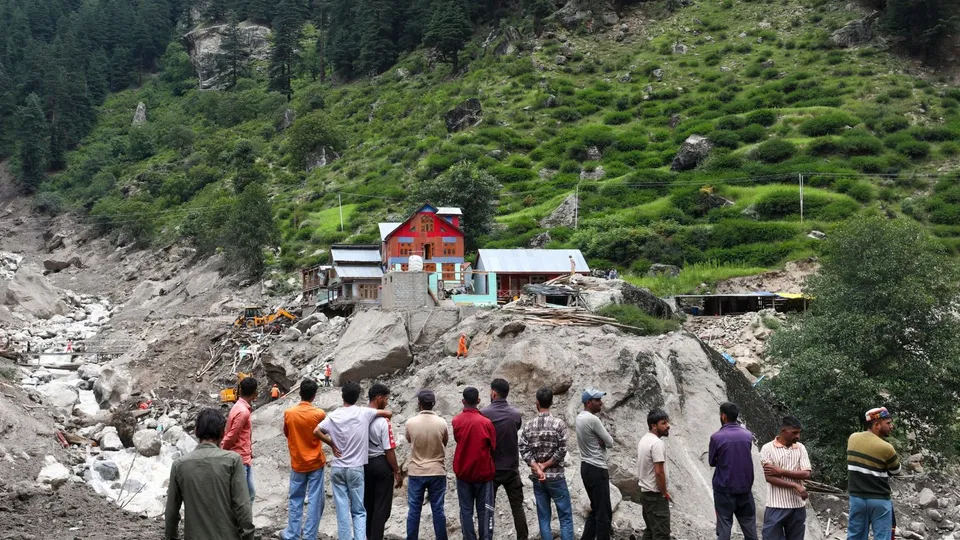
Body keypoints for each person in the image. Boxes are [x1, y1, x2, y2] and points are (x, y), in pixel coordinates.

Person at [314, 381, 393, 540]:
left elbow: (316, 431)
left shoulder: (334, 414)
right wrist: (386, 414)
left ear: (342, 396)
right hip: (356, 468)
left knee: (342, 511)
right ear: (357, 397)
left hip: (337, 468)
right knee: (358, 510)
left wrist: (331, 443)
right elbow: (386, 413)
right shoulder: (363, 412)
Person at [164, 408, 255, 540]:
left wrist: (171, 537)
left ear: (196, 432)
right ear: (223, 433)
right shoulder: (233, 460)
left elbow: (171, 512)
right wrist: (248, 536)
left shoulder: (179, 465)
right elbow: (242, 506)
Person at [281, 379, 338, 540]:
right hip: (315, 462)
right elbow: (326, 432)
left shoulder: (289, 413)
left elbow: (287, 434)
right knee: (315, 500)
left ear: (300, 393)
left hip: (297, 462)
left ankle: (291, 533)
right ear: (314, 396)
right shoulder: (319, 414)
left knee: (295, 499)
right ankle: (310, 535)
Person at [519, 387, 573, 540]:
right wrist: (547, 464)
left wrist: (537, 466)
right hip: (556, 477)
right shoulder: (559, 424)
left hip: (538, 478)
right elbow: (562, 450)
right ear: (552, 402)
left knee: (543, 518)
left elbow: (523, 449)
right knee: (565, 518)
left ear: (537, 403)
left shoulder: (529, 425)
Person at [481, 379, 528, 540]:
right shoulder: (515, 414)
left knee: (488, 508)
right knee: (517, 508)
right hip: (511, 469)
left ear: (493, 393)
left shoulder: (484, 414)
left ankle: (487, 537)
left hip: (491, 469)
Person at [847, 407, 901, 540]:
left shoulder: (852, 438)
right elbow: (896, 470)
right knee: (883, 537)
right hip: (879, 501)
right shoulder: (886, 447)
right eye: (887, 423)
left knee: (855, 536)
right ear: (877, 425)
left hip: (857, 498)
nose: (891, 426)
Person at [709, 402, 758, 540]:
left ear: (723, 416)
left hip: (724, 490)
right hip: (745, 489)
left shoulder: (716, 437)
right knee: (750, 528)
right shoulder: (747, 436)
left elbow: (712, 461)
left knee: (724, 527)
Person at [453, 387, 497, 540]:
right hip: (483, 474)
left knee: (465, 510)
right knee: (485, 510)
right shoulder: (486, 423)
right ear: (478, 401)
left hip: (463, 472)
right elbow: (493, 446)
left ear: (463, 401)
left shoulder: (456, 421)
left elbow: (458, 439)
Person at [405, 389, 449, 540]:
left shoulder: (410, 423)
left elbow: (410, 440)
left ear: (419, 404)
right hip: (437, 471)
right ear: (433, 404)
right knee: (438, 509)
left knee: (414, 511)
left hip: (416, 472)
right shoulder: (442, 423)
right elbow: (445, 442)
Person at [760, 416, 812, 540]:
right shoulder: (767, 448)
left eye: (799, 433)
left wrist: (781, 471)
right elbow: (770, 477)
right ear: (783, 430)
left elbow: (806, 473)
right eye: (794, 433)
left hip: (797, 506)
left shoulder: (800, 448)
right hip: (775, 504)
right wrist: (795, 485)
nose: (798, 436)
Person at [365, 384, 402, 540]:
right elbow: (389, 450)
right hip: (380, 464)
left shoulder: (359, 416)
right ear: (379, 398)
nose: (387, 402)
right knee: (382, 507)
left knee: (368, 504)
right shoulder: (383, 422)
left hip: (364, 464)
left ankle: (367, 535)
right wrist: (396, 471)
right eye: (386, 399)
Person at [577, 388, 615, 540]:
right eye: (597, 400)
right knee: (604, 513)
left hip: (585, 466)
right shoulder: (593, 420)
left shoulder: (580, 417)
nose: (601, 403)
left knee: (597, 509)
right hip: (597, 468)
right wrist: (602, 441)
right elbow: (610, 442)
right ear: (588, 402)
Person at [637, 409, 671, 540]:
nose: (668, 426)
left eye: (667, 422)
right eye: (664, 423)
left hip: (645, 492)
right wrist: (664, 493)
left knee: (650, 530)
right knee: (661, 534)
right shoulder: (657, 443)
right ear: (654, 426)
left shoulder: (644, 439)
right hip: (655, 495)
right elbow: (659, 472)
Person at [222, 376, 257, 503]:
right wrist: (222, 450)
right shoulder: (243, 412)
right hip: (240, 458)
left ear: (240, 390)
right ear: (255, 393)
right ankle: (241, 522)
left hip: (244, 457)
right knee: (243, 497)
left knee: (250, 494)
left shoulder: (238, 407)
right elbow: (232, 435)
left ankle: (244, 522)